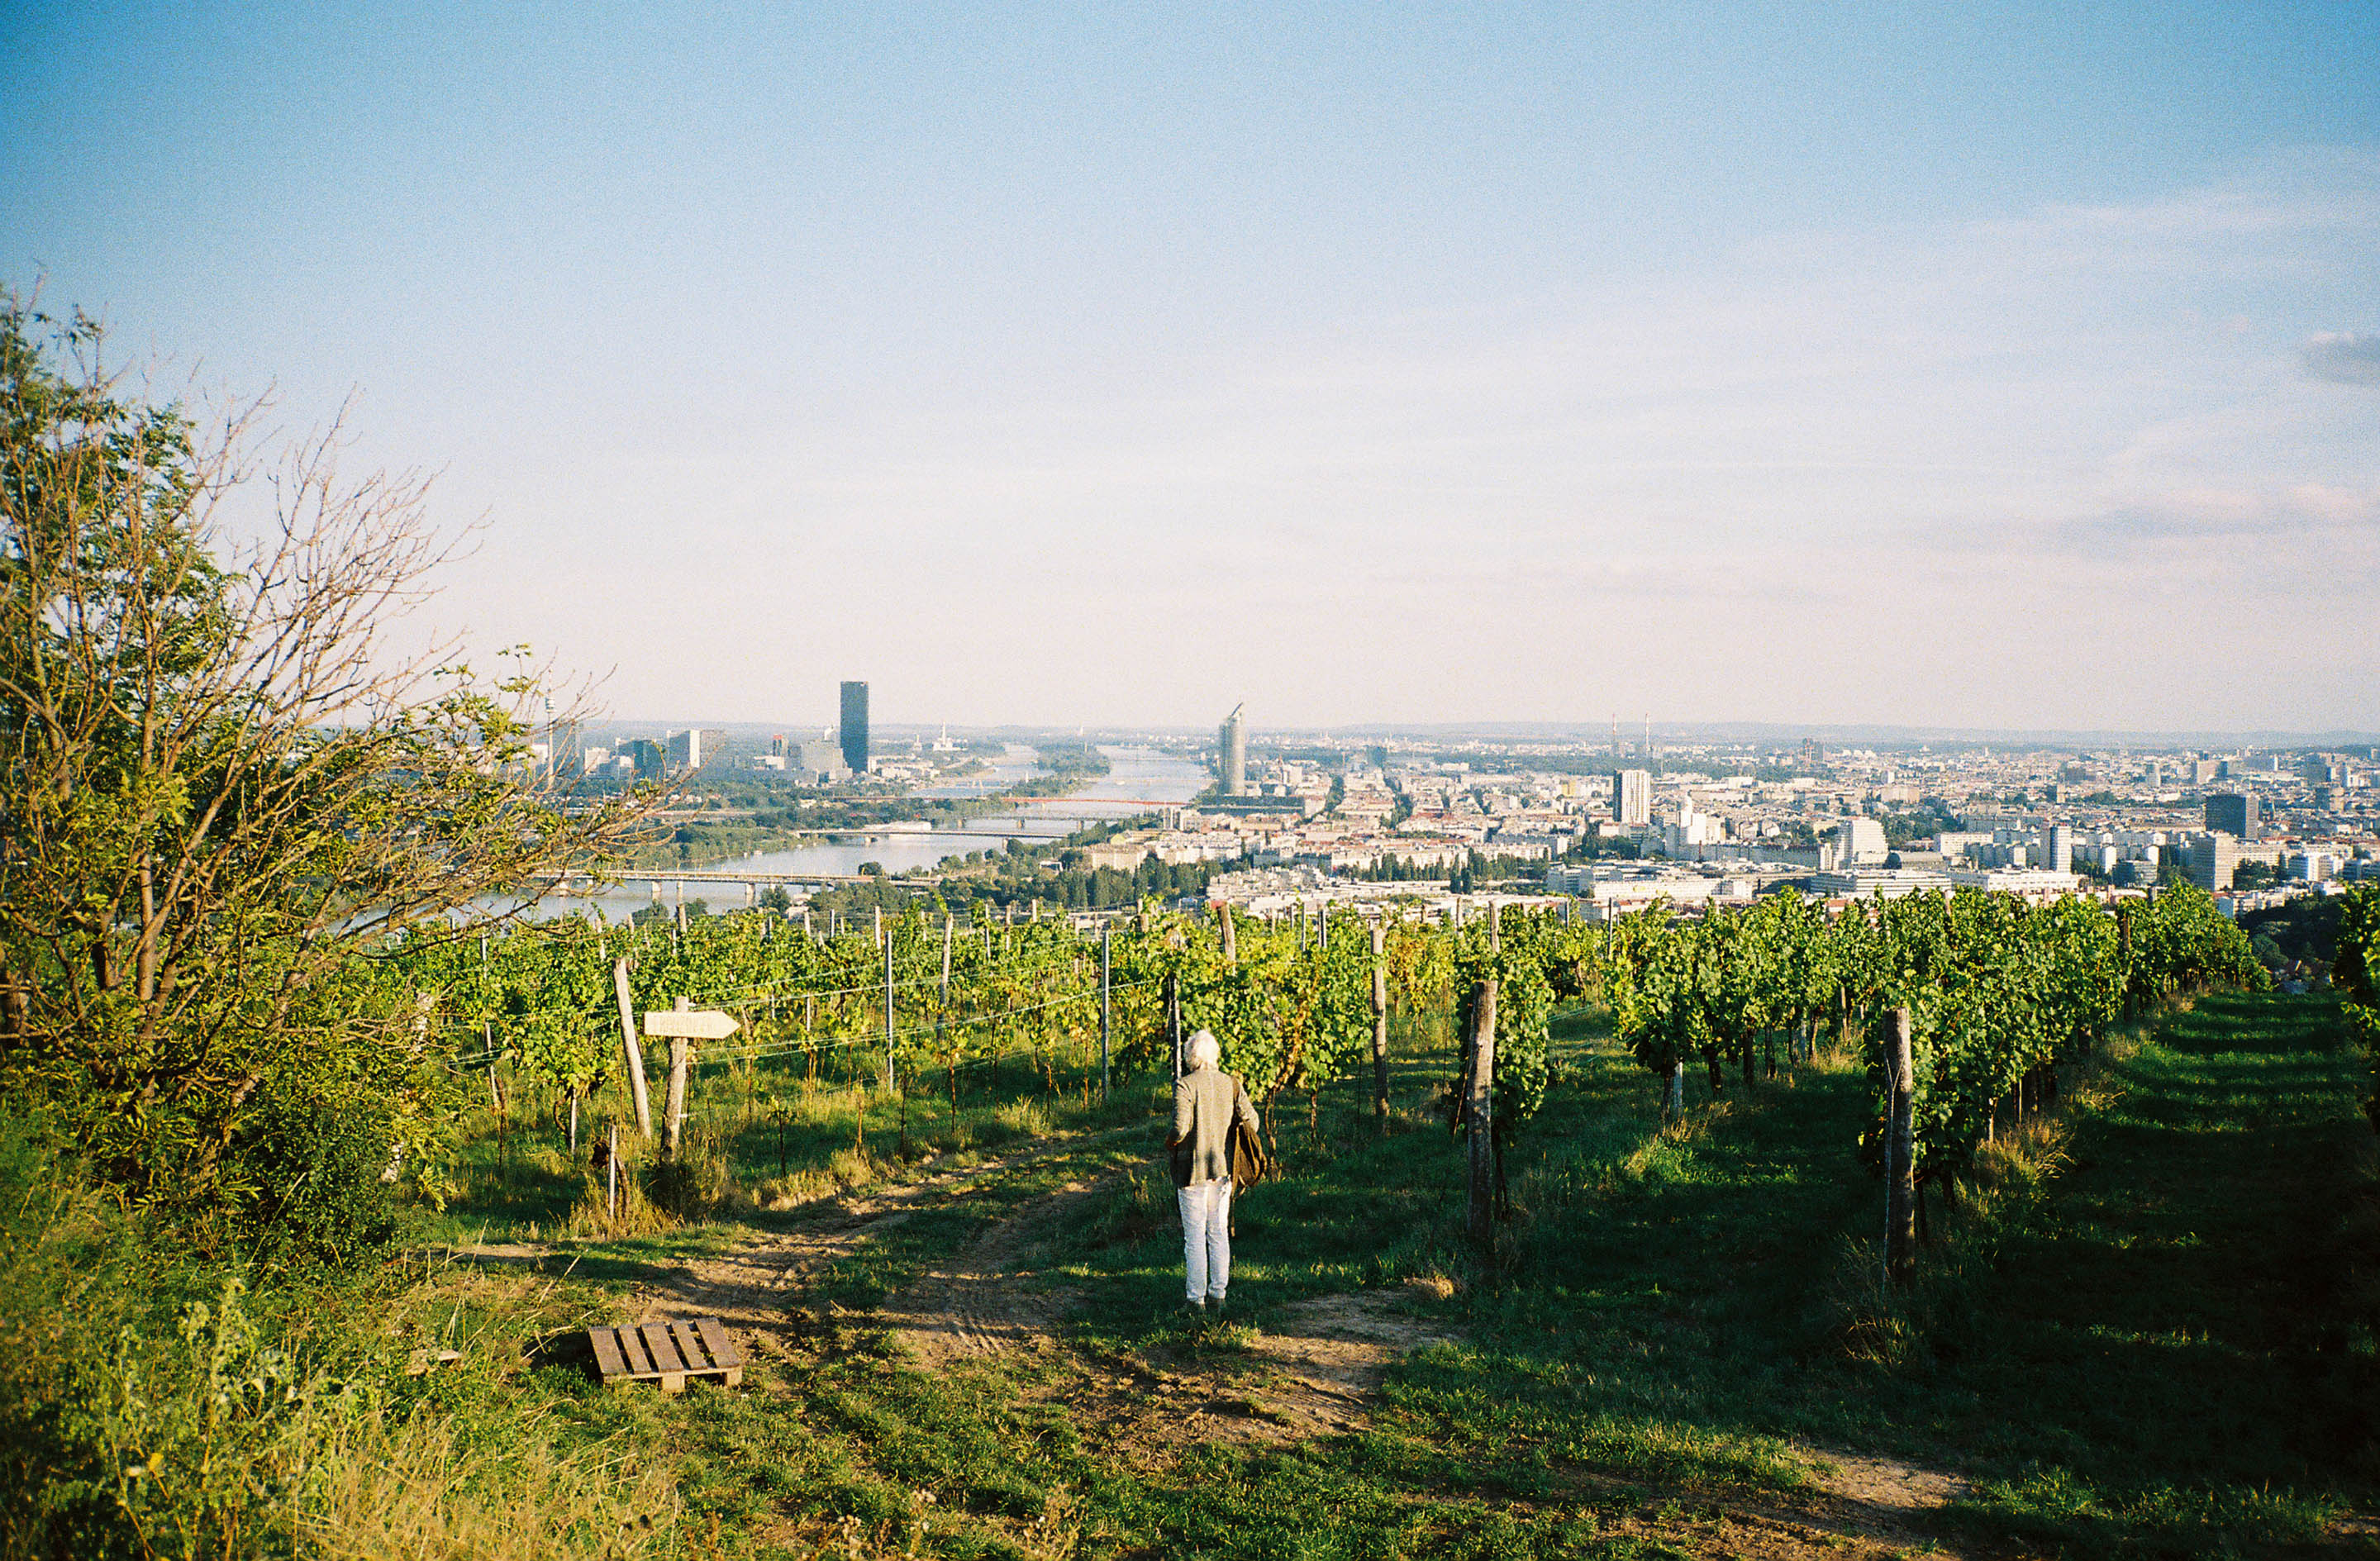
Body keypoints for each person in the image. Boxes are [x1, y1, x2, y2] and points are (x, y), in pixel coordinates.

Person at [1169, 1027, 1258, 1315]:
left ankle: (1196, 1301)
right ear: (1215, 1055)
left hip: (1191, 1172)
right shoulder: (1230, 1084)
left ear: (1190, 1056)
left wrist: (1170, 1141)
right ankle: (1219, 1296)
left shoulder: (1185, 1085)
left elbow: (1180, 1128)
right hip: (1223, 1171)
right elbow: (1252, 1122)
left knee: (1194, 1237)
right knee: (1218, 1233)